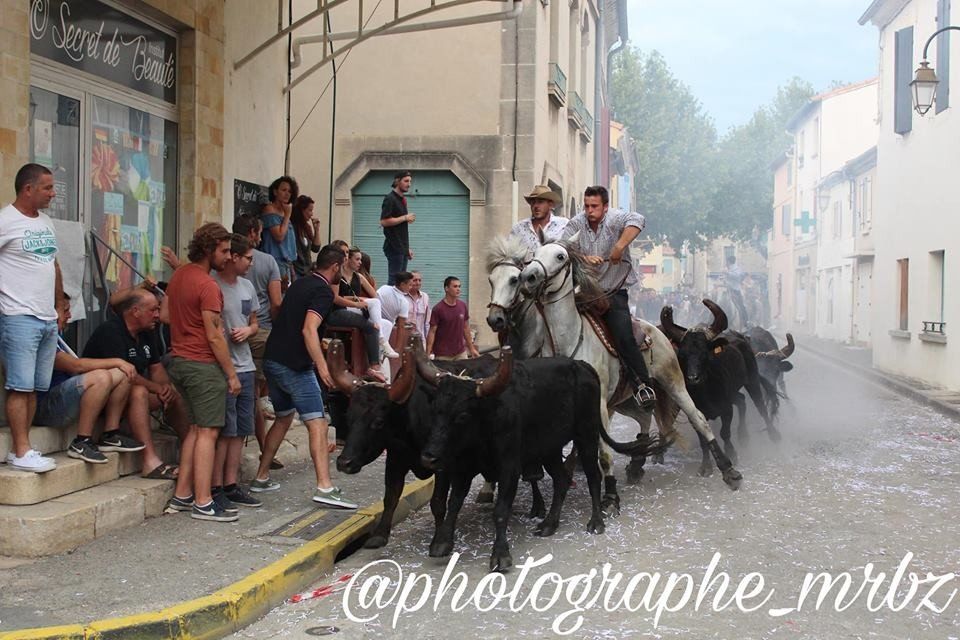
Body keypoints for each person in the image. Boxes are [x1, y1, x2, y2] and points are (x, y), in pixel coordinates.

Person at [249, 245, 358, 509]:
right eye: (342, 266)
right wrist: (322, 367)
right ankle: (325, 487)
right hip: (296, 365)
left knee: (284, 417)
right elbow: (309, 329)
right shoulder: (323, 291)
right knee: (318, 423)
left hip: (273, 359)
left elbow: (285, 316)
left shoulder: (300, 283)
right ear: (335, 267)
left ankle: (261, 477)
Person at [164, 223, 241, 523]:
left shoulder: (179, 275)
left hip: (179, 360)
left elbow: (166, 315)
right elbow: (215, 336)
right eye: (224, 251)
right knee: (208, 432)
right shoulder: (208, 286)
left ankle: (183, 495)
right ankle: (203, 501)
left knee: (195, 430)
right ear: (209, 250)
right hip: (202, 364)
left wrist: (186, 327)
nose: (229, 256)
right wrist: (231, 374)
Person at [561, 186, 655, 410]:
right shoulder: (576, 223)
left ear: (605, 206)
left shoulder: (615, 218)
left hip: (613, 292)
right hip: (583, 293)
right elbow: (563, 247)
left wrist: (619, 246)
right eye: (586, 206)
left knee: (624, 336)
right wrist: (583, 258)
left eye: (594, 206)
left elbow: (638, 220)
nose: (589, 210)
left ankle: (643, 386)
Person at [85, 285, 189, 479]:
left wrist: (165, 388)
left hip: (130, 397)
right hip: (102, 399)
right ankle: (149, 461)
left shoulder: (147, 331)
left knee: (174, 393)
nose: (157, 315)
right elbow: (127, 375)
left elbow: (156, 367)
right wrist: (155, 387)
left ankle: (190, 449)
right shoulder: (111, 331)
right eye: (153, 310)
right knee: (139, 391)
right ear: (135, 311)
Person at [0, 163, 62, 473]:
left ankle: (23, 450)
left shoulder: (46, 222)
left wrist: (60, 304)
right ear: (28, 189)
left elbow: (53, 264)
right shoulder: (5, 221)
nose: (53, 194)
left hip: (47, 317)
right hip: (18, 315)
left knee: (35, 387)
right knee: (20, 386)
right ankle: (21, 449)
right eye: (47, 188)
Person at [34, 293, 143, 464]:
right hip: (45, 408)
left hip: (64, 399)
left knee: (122, 373)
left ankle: (110, 435)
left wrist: (120, 365)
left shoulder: (59, 335)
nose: (70, 315)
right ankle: (82, 441)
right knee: (101, 376)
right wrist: (117, 361)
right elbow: (75, 366)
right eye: (65, 310)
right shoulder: (42, 336)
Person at [212, 235, 262, 508]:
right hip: (224, 366)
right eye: (248, 259)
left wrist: (248, 331)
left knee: (241, 430)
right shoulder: (213, 284)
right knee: (226, 430)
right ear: (234, 257)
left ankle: (231, 484)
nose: (251, 264)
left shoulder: (247, 286)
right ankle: (216, 485)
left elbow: (254, 321)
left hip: (246, 364)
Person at [232, 214, 283, 468]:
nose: (261, 237)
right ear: (252, 232)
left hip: (236, 332)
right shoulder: (267, 261)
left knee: (246, 395)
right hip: (260, 332)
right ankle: (264, 448)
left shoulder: (226, 263)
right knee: (253, 395)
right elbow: (276, 302)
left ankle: (255, 447)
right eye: (260, 232)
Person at [337, 245, 398, 360]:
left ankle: (379, 355)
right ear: (348, 259)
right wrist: (357, 299)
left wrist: (364, 301)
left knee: (387, 324)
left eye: (361, 259)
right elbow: (337, 297)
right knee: (374, 303)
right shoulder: (338, 275)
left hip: (357, 308)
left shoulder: (359, 277)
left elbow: (375, 295)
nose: (360, 262)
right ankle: (381, 340)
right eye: (357, 259)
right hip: (344, 307)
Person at [427, 276, 480, 360]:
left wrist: (472, 349)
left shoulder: (462, 306)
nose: (458, 289)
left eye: (459, 286)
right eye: (455, 286)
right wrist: (427, 353)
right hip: (443, 355)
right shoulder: (438, 309)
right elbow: (432, 332)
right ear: (446, 289)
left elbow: (466, 328)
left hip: (460, 353)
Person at [260, 176, 299, 286]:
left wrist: (292, 269)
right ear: (275, 192)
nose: (287, 194)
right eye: (283, 190)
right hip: (275, 261)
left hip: (287, 264)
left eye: (289, 191)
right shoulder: (270, 209)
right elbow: (279, 236)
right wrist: (287, 216)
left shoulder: (285, 212)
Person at [380, 171, 415, 285]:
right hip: (393, 246)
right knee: (394, 280)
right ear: (397, 181)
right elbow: (384, 221)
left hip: (401, 248)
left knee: (402, 281)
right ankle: (388, 298)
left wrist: (406, 248)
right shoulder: (390, 198)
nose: (409, 184)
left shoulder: (402, 199)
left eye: (410, 181)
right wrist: (405, 217)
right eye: (406, 181)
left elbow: (401, 230)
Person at [510, 185, 568, 252]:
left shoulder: (563, 225)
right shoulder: (519, 228)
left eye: (540, 202)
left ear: (550, 205)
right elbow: (510, 252)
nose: (536, 206)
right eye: (533, 202)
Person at [291, 195, 322, 278]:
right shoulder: (292, 227)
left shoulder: (307, 228)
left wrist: (316, 230)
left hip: (307, 271)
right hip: (296, 271)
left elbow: (316, 248)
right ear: (301, 210)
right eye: (310, 210)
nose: (312, 214)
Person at [376, 271, 413, 338]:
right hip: (385, 330)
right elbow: (401, 326)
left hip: (373, 321)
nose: (411, 287)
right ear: (402, 284)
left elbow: (374, 297)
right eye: (409, 285)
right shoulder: (403, 302)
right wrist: (399, 345)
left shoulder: (384, 288)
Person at [725, 255, 749, 328]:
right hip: (727, 290)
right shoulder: (728, 269)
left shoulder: (737, 269)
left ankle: (746, 322)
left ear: (729, 261)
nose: (726, 263)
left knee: (741, 306)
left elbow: (737, 276)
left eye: (727, 261)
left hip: (735, 290)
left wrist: (727, 273)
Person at [404, 270, 430, 339]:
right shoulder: (402, 297)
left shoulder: (425, 297)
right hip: (404, 338)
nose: (418, 283)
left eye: (419, 280)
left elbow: (427, 322)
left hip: (420, 339)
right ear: (409, 282)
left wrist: (427, 340)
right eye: (415, 280)